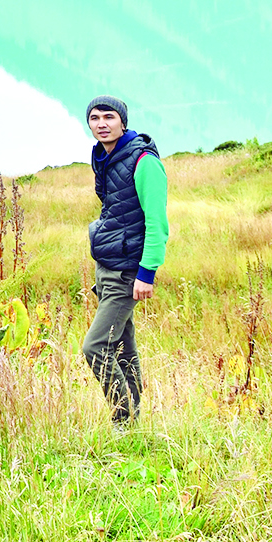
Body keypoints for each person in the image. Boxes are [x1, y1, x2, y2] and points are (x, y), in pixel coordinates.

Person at [81, 95, 170, 426]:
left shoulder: (143, 160)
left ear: (123, 122)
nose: (101, 123)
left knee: (96, 346)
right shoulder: (105, 157)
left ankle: (123, 421)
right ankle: (136, 422)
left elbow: (156, 223)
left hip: (127, 271)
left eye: (108, 117)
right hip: (107, 266)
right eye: (94, 118)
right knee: (121, 346)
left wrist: (146, 273)